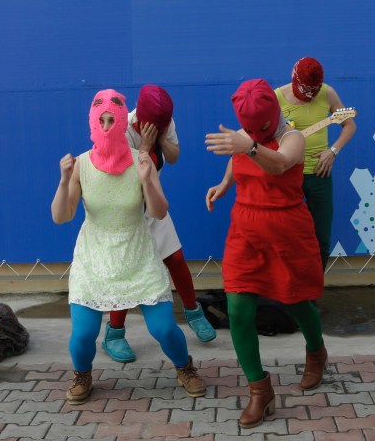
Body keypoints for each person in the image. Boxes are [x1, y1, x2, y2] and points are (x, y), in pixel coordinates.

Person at [51, 88, 205, 405]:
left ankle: (184, 366)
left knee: (163, 328)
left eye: (112, 120)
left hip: (137, 253)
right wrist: (64, 180)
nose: (107, 126)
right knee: (82, 334)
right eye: (101, 119)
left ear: (123, 122)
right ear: (92, 122)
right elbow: (61, 216)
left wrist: (148, 179)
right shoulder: (80, 164)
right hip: (94, 258)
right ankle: (82, 374)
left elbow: (159, 211)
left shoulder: (141, 160)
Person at [205, 79, 326, 428]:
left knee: (296, 301)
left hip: (287, 230)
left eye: (258, 128)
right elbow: (236, 160)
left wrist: (250, 146)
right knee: (238, 309)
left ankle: (316, 351)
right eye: (248, 127)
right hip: (245, 228)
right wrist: (224, 184)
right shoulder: (245, 135)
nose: (251, 132)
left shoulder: (294, 138)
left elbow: (279, 164)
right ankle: (260, 390)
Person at [102, 84, 216, 363]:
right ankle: (113, 333)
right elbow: (126, 177)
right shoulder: (120, 129)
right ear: (139, 118)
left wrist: (163, 139)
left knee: (175, 258)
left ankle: (193, 312)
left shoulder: (165, 123)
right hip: (126, 212)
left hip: (153, 205)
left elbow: (174, 157)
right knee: (127, 271)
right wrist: (143, 147)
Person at [275, 57, 356, 270]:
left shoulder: (327, 93)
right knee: (285, 236)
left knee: (321, 237)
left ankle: (313, 290)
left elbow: (349, 124)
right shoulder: (277, 98)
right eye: (304, 95)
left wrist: (333, 151)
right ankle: (287, 290)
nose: (308, 99)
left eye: (312, 95)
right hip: (289, 175)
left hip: (320, 175)